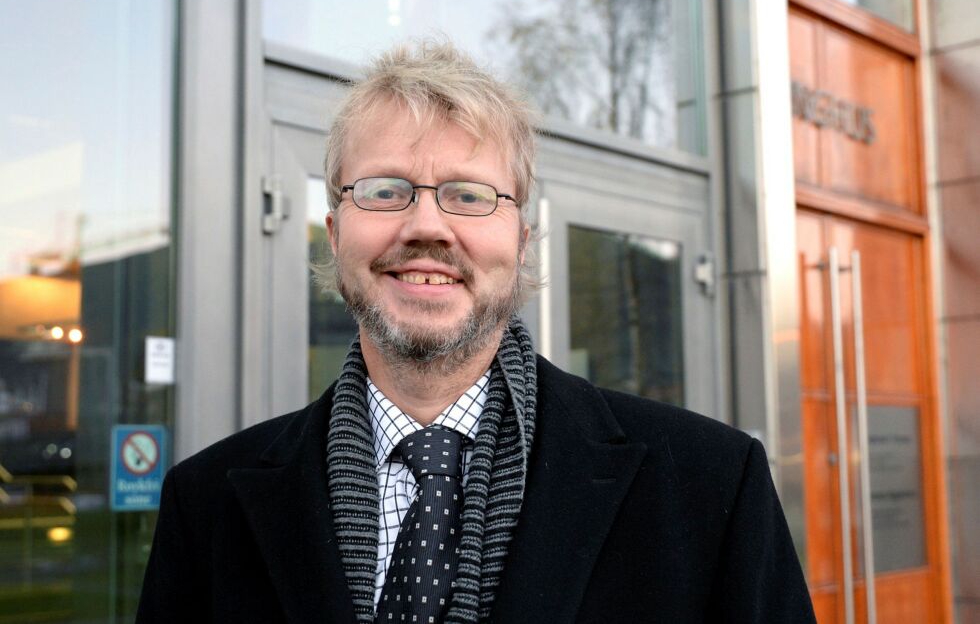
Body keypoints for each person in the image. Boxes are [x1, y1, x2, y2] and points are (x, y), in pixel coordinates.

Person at [137, 40, 816, 624]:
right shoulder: (205, 506)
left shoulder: (712, 490)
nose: (427, 227)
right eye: (383, 190)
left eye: (468, 195)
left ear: (522, 241)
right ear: (337, 233)